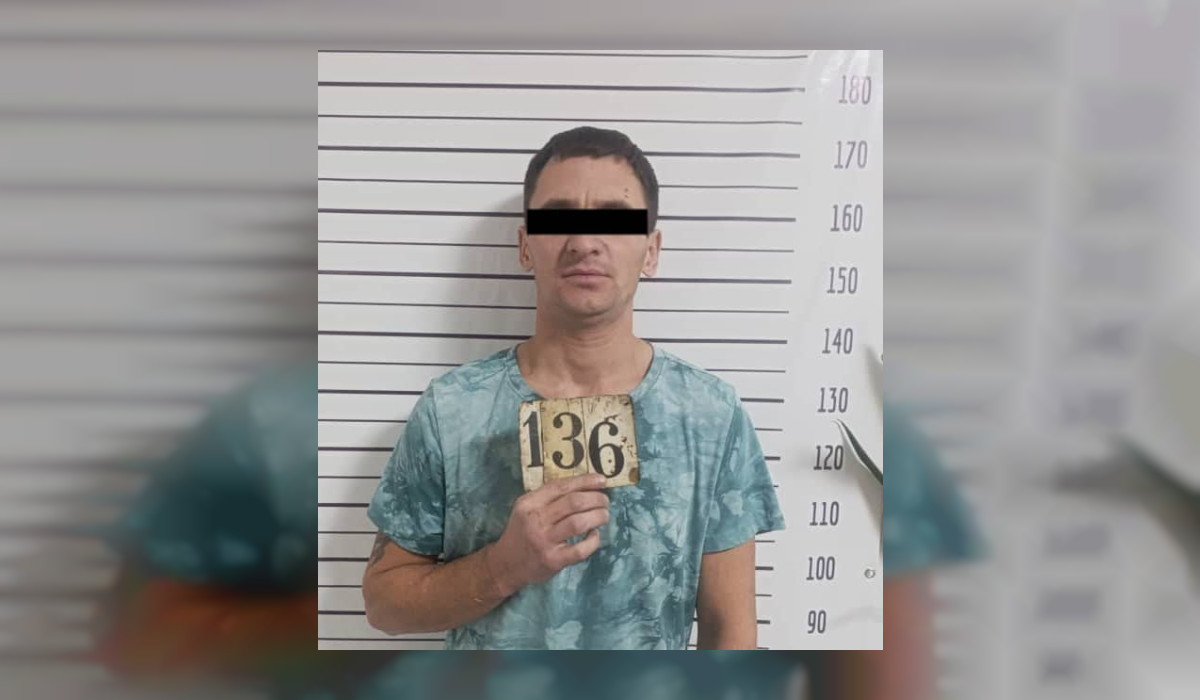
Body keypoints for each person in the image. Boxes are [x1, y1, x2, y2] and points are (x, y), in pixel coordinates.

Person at [362, 126, 786, 650]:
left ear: (651, 252)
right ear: (525, 246)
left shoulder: (711, 417)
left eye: (614, 220)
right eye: (559, 218)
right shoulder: (450, 409)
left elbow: (732, 632)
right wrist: (502, 567)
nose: (584, 242)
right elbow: (383, 604)